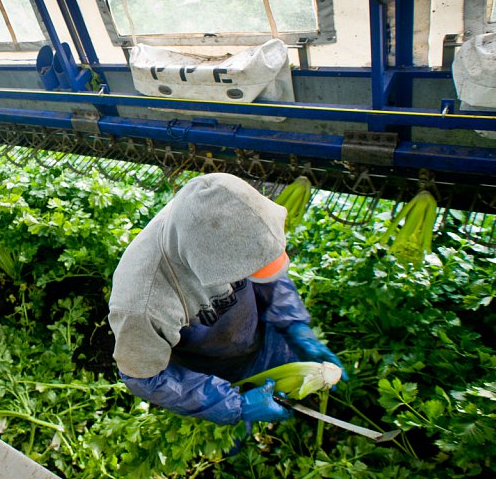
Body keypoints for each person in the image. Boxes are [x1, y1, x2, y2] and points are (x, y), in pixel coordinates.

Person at [108, 173, 346, 426]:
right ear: (212, 267)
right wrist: (234, 405)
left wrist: (295, 325)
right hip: (210, 379)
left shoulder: (227, 214)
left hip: (262, 341)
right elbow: (146, 379)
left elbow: (264, 267)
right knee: (238, 430)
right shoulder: (141, 304)